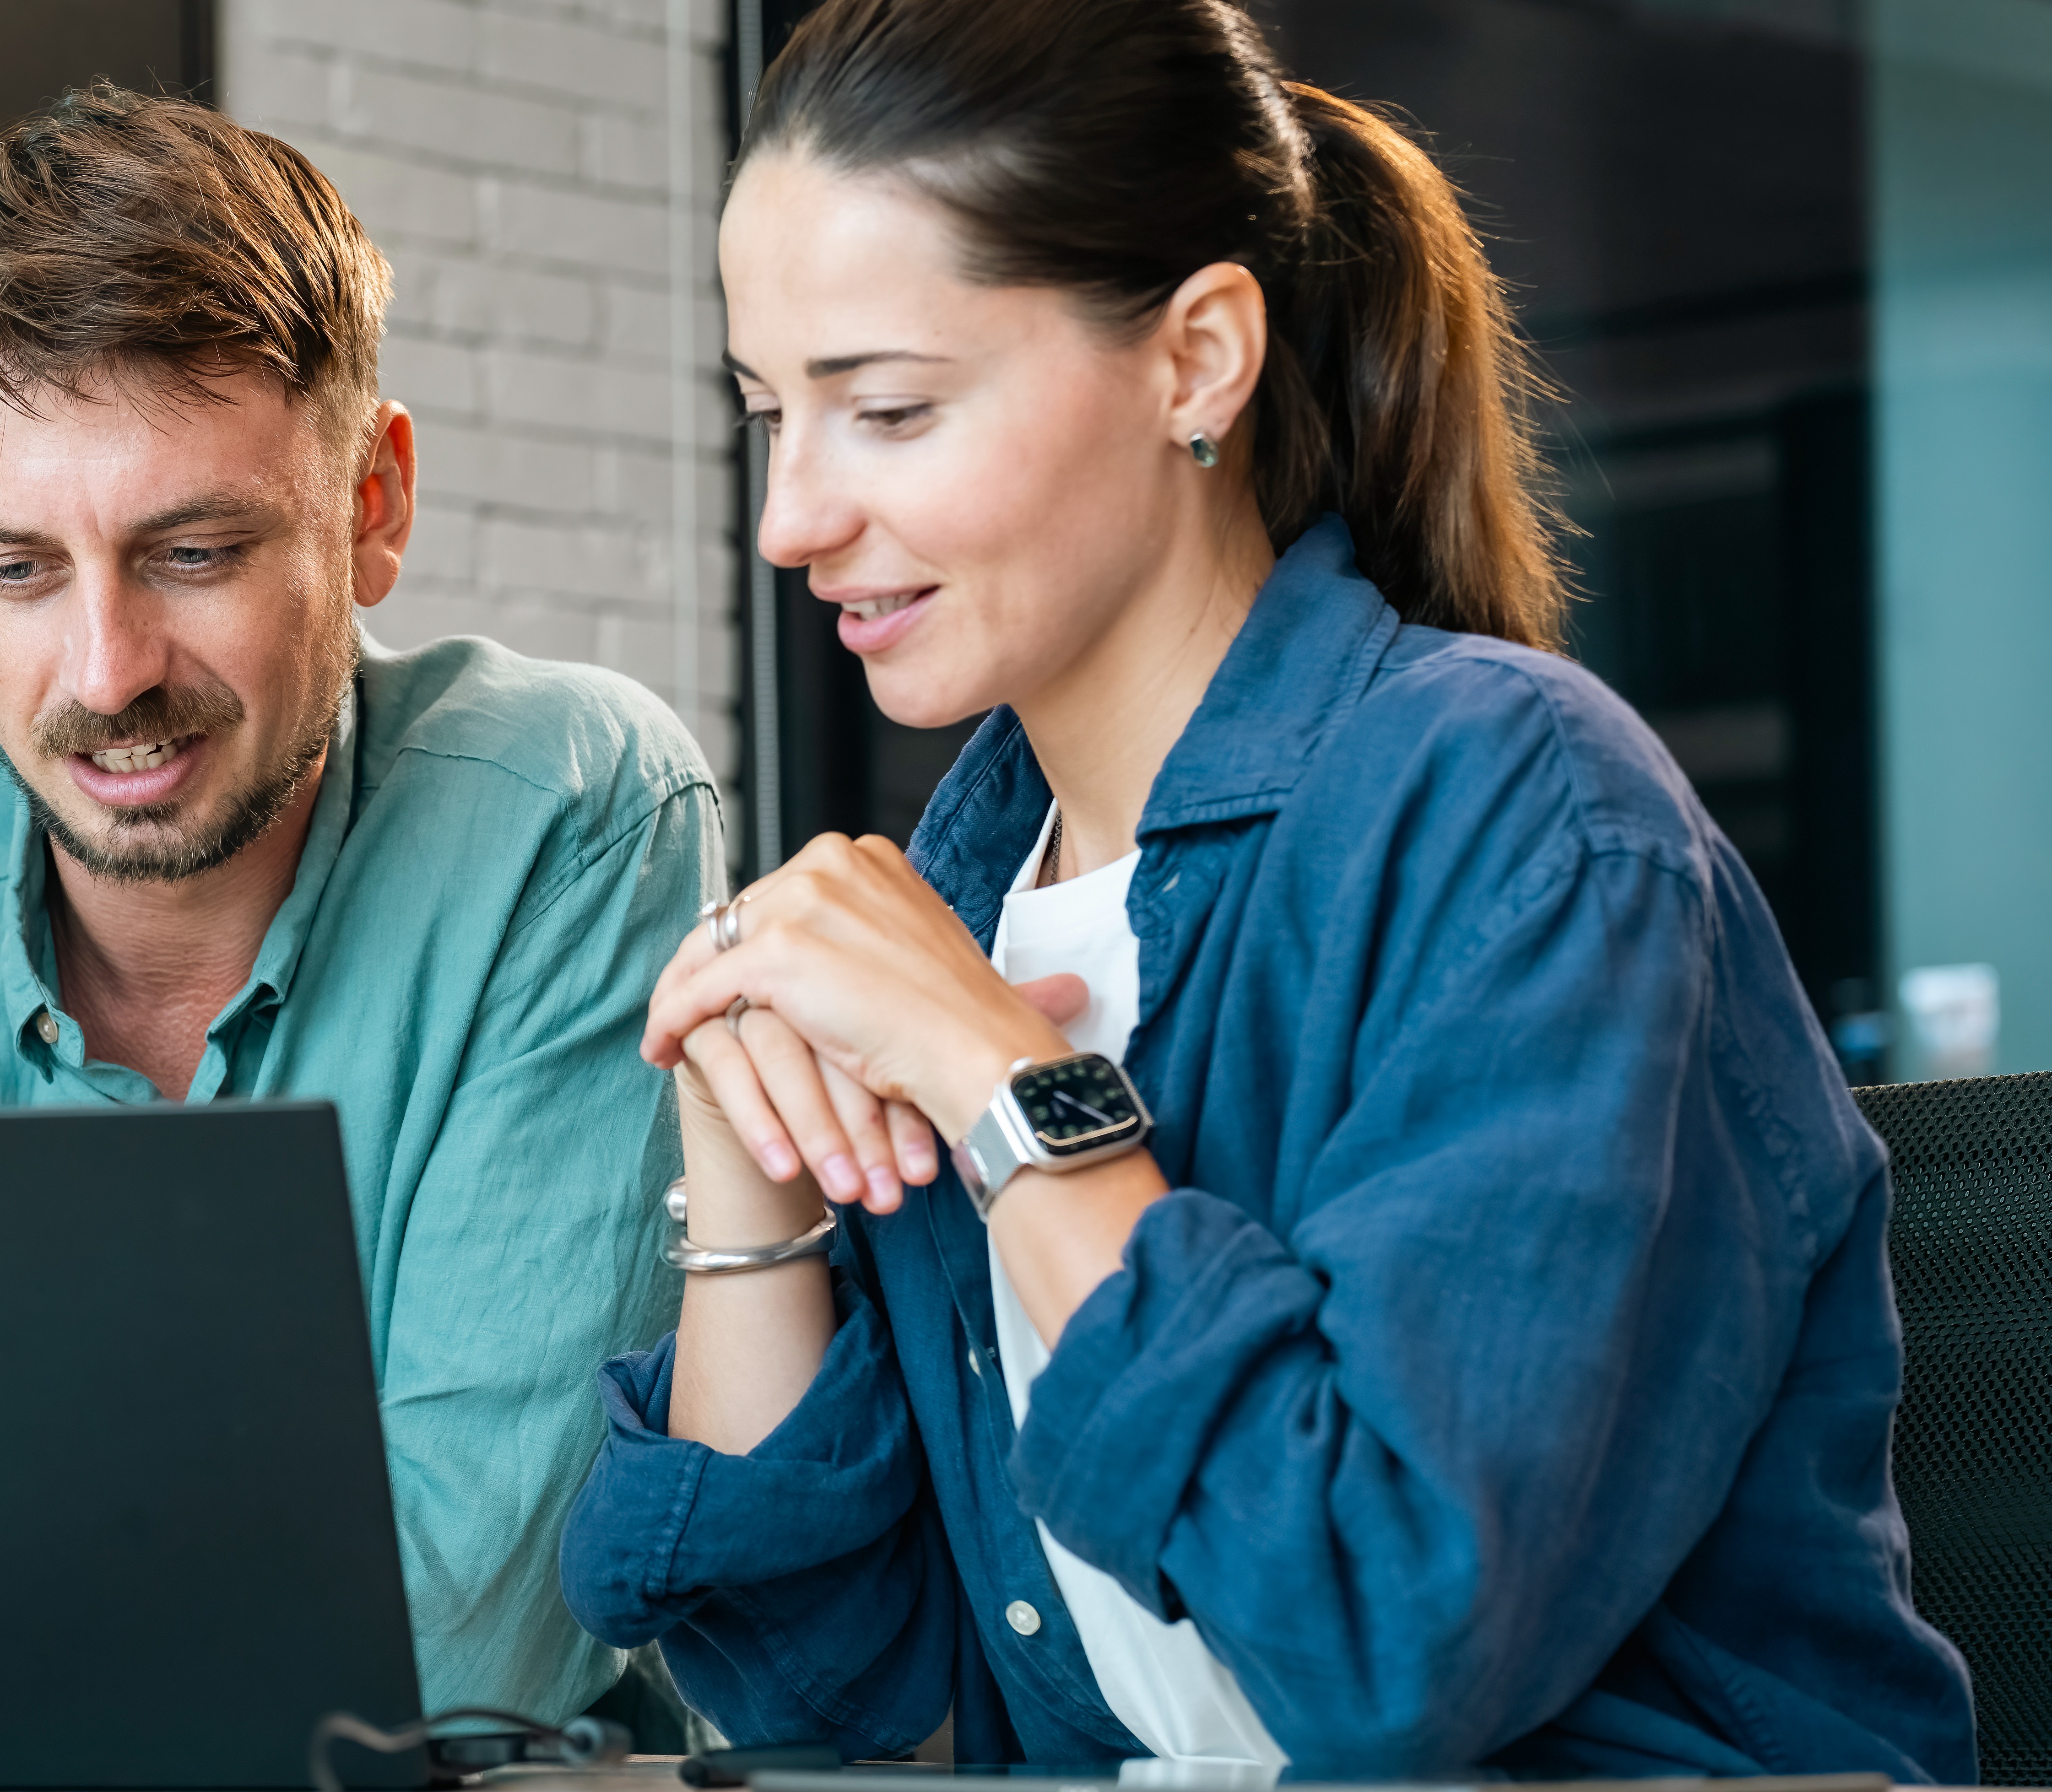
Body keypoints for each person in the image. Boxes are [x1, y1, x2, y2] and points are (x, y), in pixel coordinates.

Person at [558, 0, 1976, 1778]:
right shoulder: (963, 896)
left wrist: (1015, 1097)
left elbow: (1385, 1635)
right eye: (772, 412)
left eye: (891, 409)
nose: (792, 516)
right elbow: (844, 1710)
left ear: (1196, 360)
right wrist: (743, 1161)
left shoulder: (1522, 818)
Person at [0, 85, 712, 1726]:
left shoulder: (568, 817)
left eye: (195, 551)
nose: (107, 670)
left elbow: (477, 1634)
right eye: (10, 571)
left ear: (373, 506)